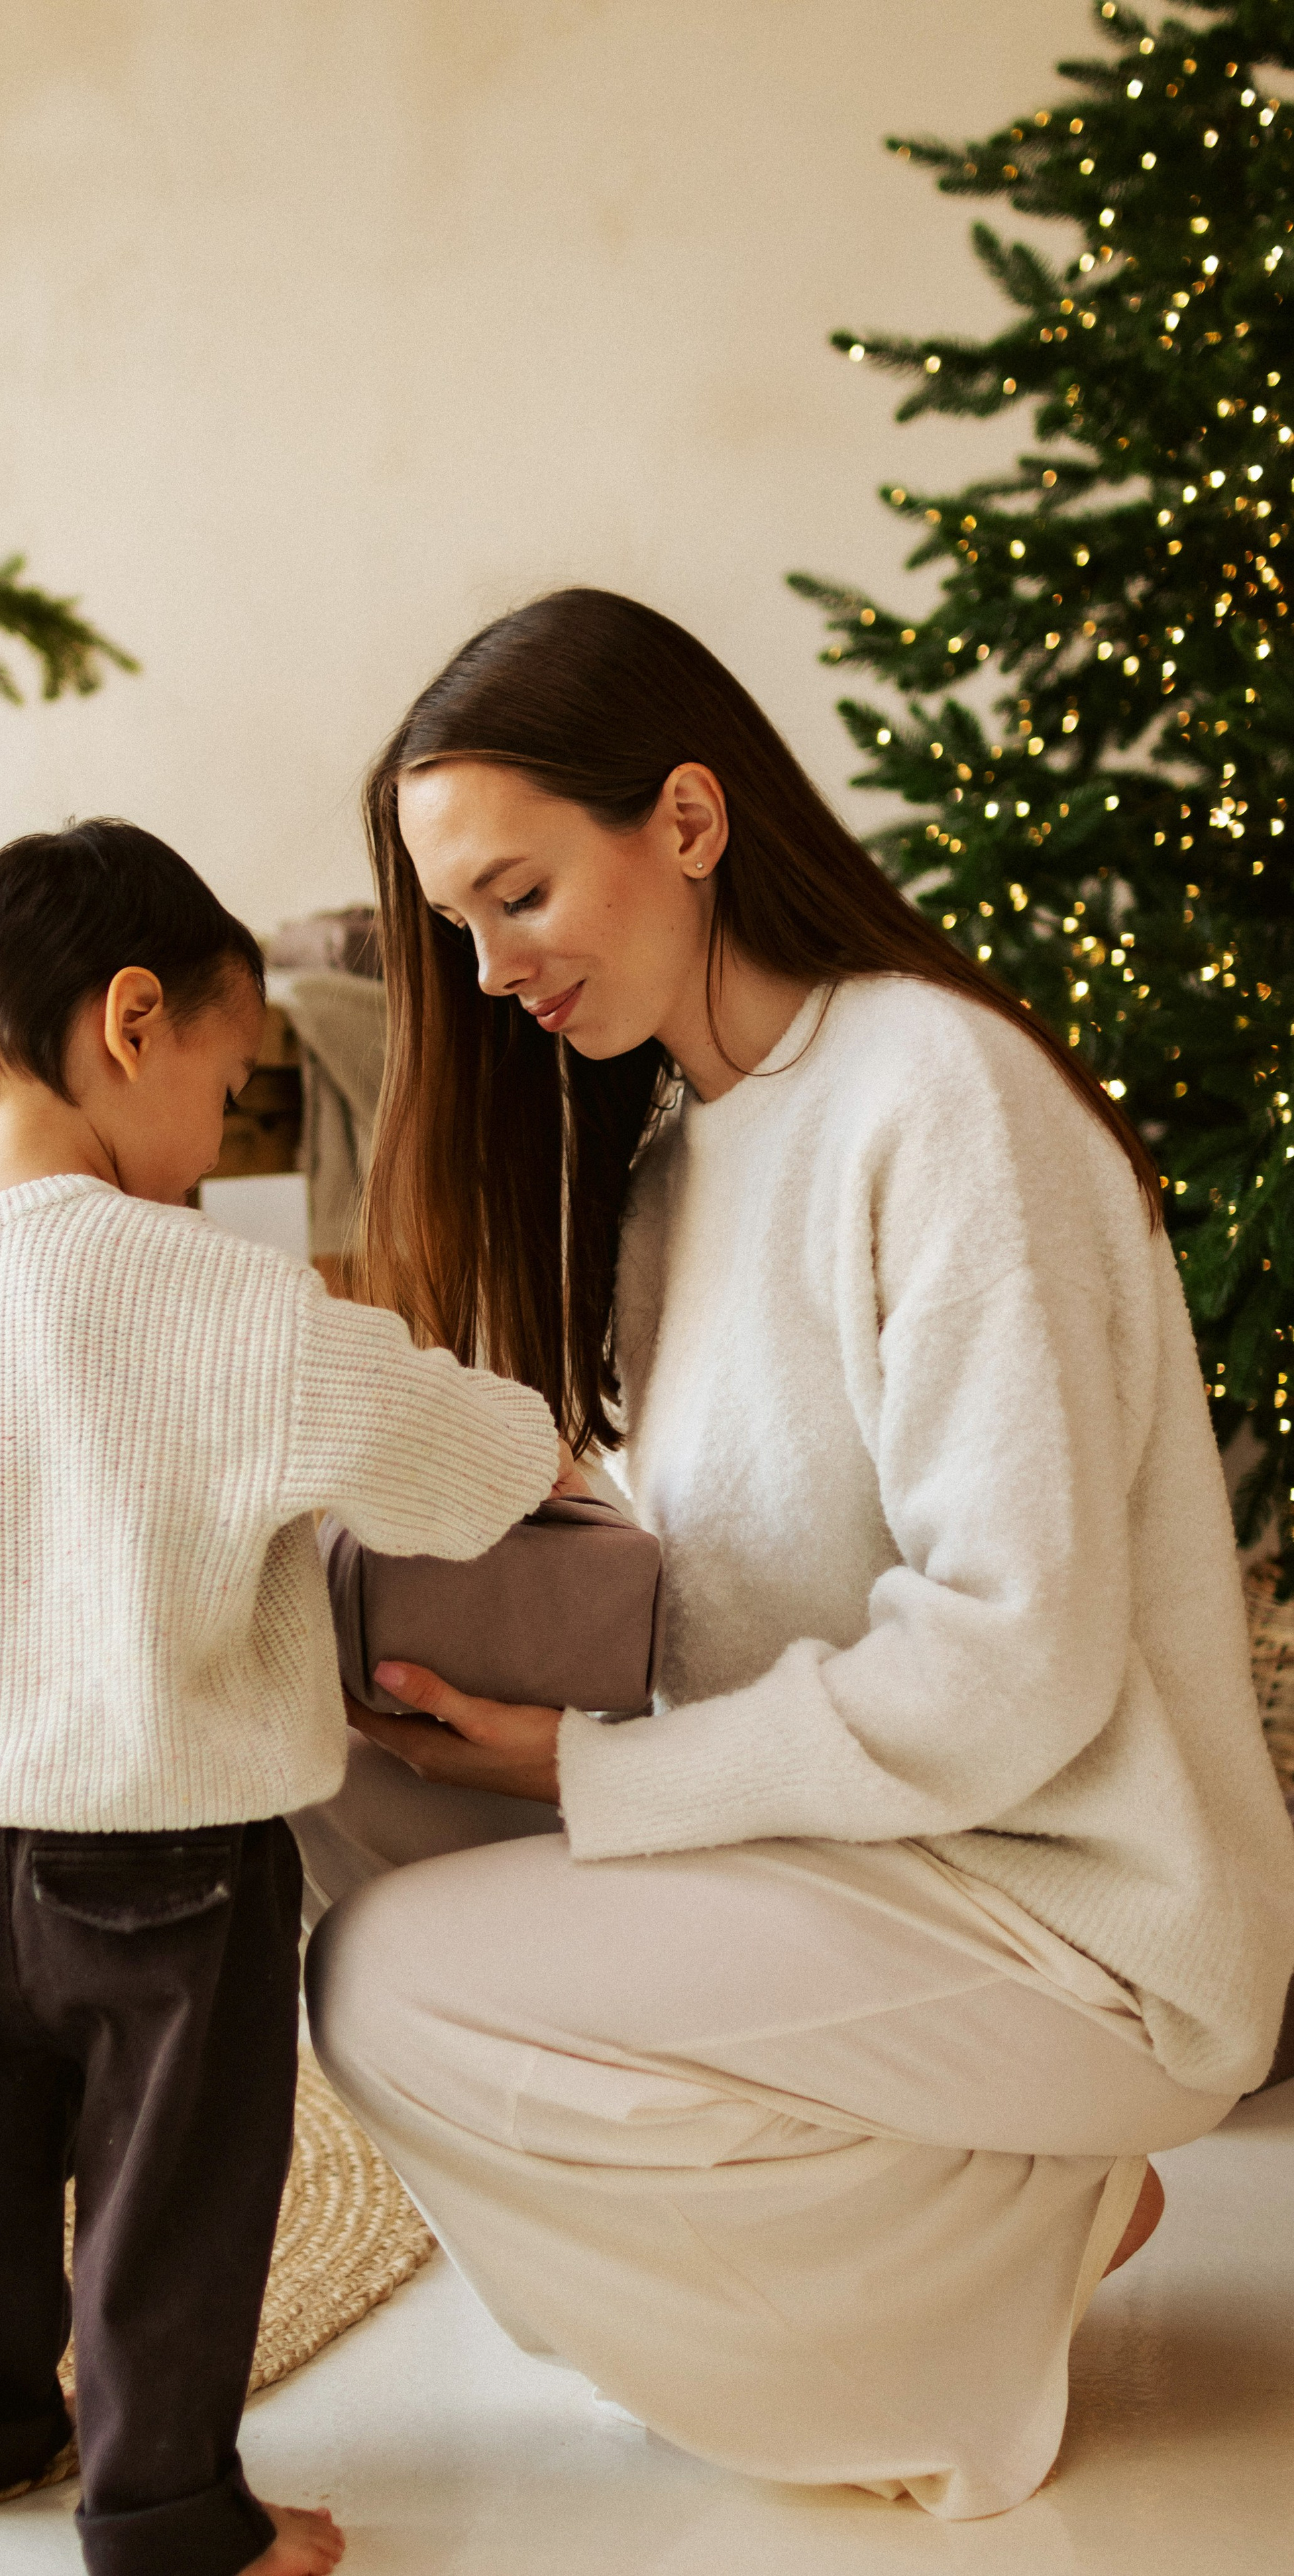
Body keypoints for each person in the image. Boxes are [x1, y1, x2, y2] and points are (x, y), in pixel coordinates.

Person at [296, 590, 1294, 2519]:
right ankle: (997, 2214)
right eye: (457, 929)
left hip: (1076, 1912)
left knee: (393, 1984)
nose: (490, 971)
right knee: (315, 1775)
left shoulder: (938, 1094)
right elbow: (754, 1569)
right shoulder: (676, 1155)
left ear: (685, 818)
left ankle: (973, 2295)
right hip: (870, 1850)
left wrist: (591, 1770)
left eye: (517, 895)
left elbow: (1015, 1658)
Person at [0, 819, 562, 2576]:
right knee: (174, 2185)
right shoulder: (225, 1296)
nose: (217, 1148)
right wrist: (547, 1435)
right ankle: (165, 2511)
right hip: (180, 1849)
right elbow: (452, 1470)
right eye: (227, 1090)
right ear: (133, 1020)